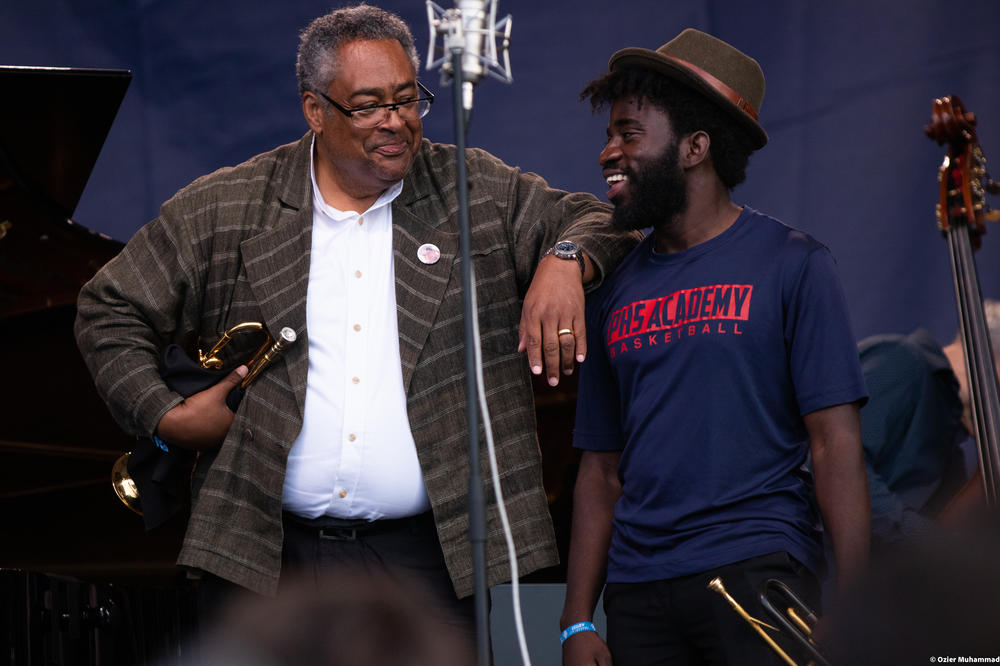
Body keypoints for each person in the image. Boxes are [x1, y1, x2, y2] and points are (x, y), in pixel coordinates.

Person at [74, 4, 639, 634]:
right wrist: (164, 414)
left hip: (440, 555)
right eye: (367, 105)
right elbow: (108, 307)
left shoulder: (474, 188)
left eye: (407, 99)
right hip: (265, 552)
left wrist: (564, 262)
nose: (395, 122)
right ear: (315, 110)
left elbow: (602, 221)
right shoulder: (228, 204)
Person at [559, 29, 870, 665]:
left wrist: (860, 603)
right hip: (638, 589)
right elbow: (600, 471)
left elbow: (834, 443)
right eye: (609, 135)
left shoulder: (794, 264)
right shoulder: (613, 287)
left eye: (629, 134)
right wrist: (575, 622)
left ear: (696, 147)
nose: (607, 153)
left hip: (758, 571)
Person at [859, 298, 1000, 546]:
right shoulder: (902, 361)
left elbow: (951, 542)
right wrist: (926, 543)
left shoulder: (950, 446)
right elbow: (842, 467)